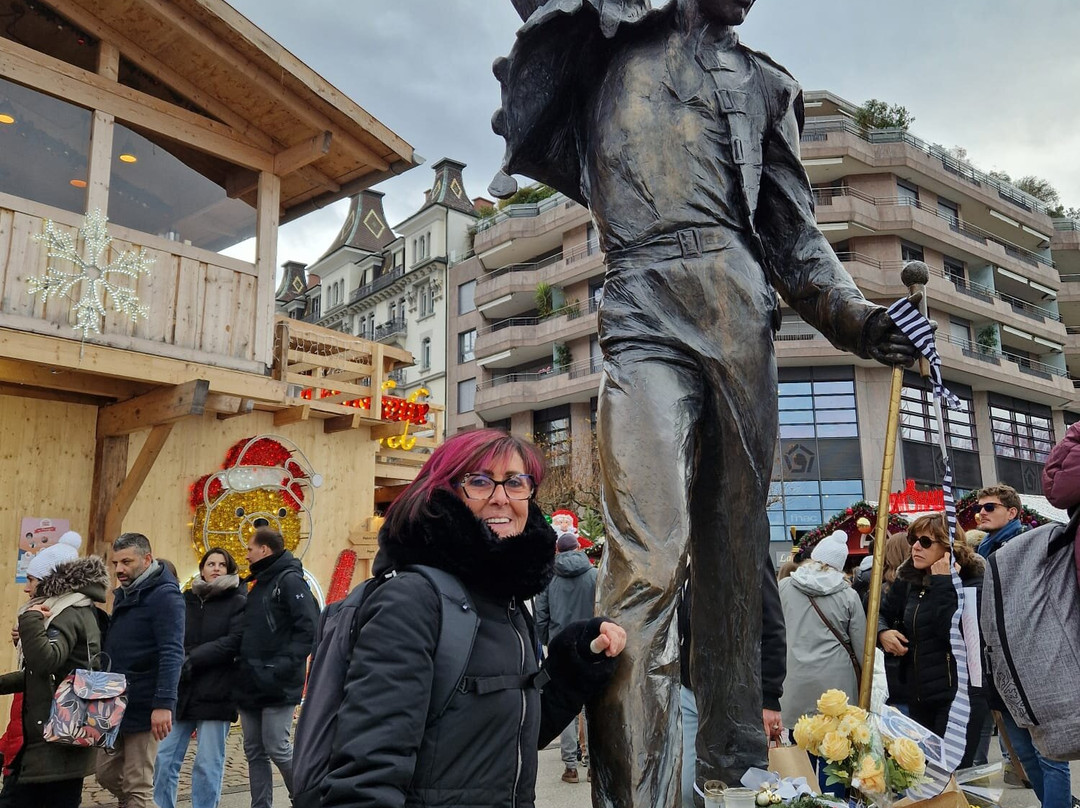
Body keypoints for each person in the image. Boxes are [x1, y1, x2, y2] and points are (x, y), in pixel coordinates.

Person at [490, 0, 919, 797]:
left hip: (737, 301)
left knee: (733, 551)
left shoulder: (764, 82)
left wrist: (862, 321)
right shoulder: (605, 40)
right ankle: (636, 794)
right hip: (640, 296)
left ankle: (734, 774)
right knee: (645, 559)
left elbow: (795, 235)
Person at [316, 429, 626, 808]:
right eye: (479, 481)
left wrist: (579, 656)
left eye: (515, 482)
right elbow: (366, 775)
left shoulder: (506, 602)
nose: (501, 497)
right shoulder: (413, 598)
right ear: (445, 492)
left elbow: (516, 731)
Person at [973, 484, 1071, 807]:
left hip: (1033, 665)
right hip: (1000, 670)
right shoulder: (984, 553)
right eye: (980, 508)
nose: (981, 513)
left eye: (990, 507)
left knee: (1050, 756)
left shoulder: (1031, 545)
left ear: (1012, 512)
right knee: (1026, 756)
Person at [0, 544, 108, 807]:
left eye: (32, 580)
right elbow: (42, 677)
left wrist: (30, 622)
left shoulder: (67, 614)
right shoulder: (72, 610)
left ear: (50, 582)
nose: (27, 588)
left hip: (55, 745)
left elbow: (46, 662)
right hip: (53, 743)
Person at [877, 514, 987, 768]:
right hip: (917, 694)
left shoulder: (972, 580)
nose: (915, 546)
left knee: (949, 776)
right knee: (921, 776)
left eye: (925, 542)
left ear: (949, 547)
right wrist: (883, 632)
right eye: (913, 539)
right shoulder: (909, 581)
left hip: (959, 697)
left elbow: (952, 632)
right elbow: (880, 613)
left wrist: (942, 583)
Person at [678, 558, 786, 808]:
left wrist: (770, 697)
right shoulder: (684, 558)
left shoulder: (743, 549)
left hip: (734, 695)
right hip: (689, 691)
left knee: (734, 786)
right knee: (686, 787)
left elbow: (772, 627)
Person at [96, 532, 184, 808]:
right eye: (115, 563)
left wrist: (163, 704)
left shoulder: (165, 597)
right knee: (105, 772)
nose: (119, 569)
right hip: (116, 702)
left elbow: (172, 652)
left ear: (147, 559)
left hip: (145, 704)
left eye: (126, 561)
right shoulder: (127, 593)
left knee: (137, 785)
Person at [153, 548, 245, 808]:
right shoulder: (186, 599)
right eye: (210, 563)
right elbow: (173, 636)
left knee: (207, 763)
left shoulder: (237, 600)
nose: (216, 568)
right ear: (202, 569)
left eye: (222, 565)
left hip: (218, 690)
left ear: (229, 570)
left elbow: (234, 641)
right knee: (164, 758)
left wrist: (192, 657)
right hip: (184, 689)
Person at [779, 531, 865, 796]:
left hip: (793, 683)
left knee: (799, 756)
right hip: (837, 693)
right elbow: (862, 648)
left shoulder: (784, 587)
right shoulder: (848, 596)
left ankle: (803, 800)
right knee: (835, 759)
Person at [238, 527, 319, 808]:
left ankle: (306, 798)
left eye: (250, 549)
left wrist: (282, 666)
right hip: (250, 681)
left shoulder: (290, 581)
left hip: (278, 682)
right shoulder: (260, 582)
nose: (246, 555)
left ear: (264, 549)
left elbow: (309, 628)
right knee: (254, 751)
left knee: (277, 747)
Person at [535, 532, 600, 784]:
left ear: (558, 551)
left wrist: (547, 640)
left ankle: (570, 766)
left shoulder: (549, 579)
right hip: (592, 646)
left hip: (560, 648)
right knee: (592, 705)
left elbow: (540, 615)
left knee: (566, 706)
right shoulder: (594, 575)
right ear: (578, 548)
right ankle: (594, 764)